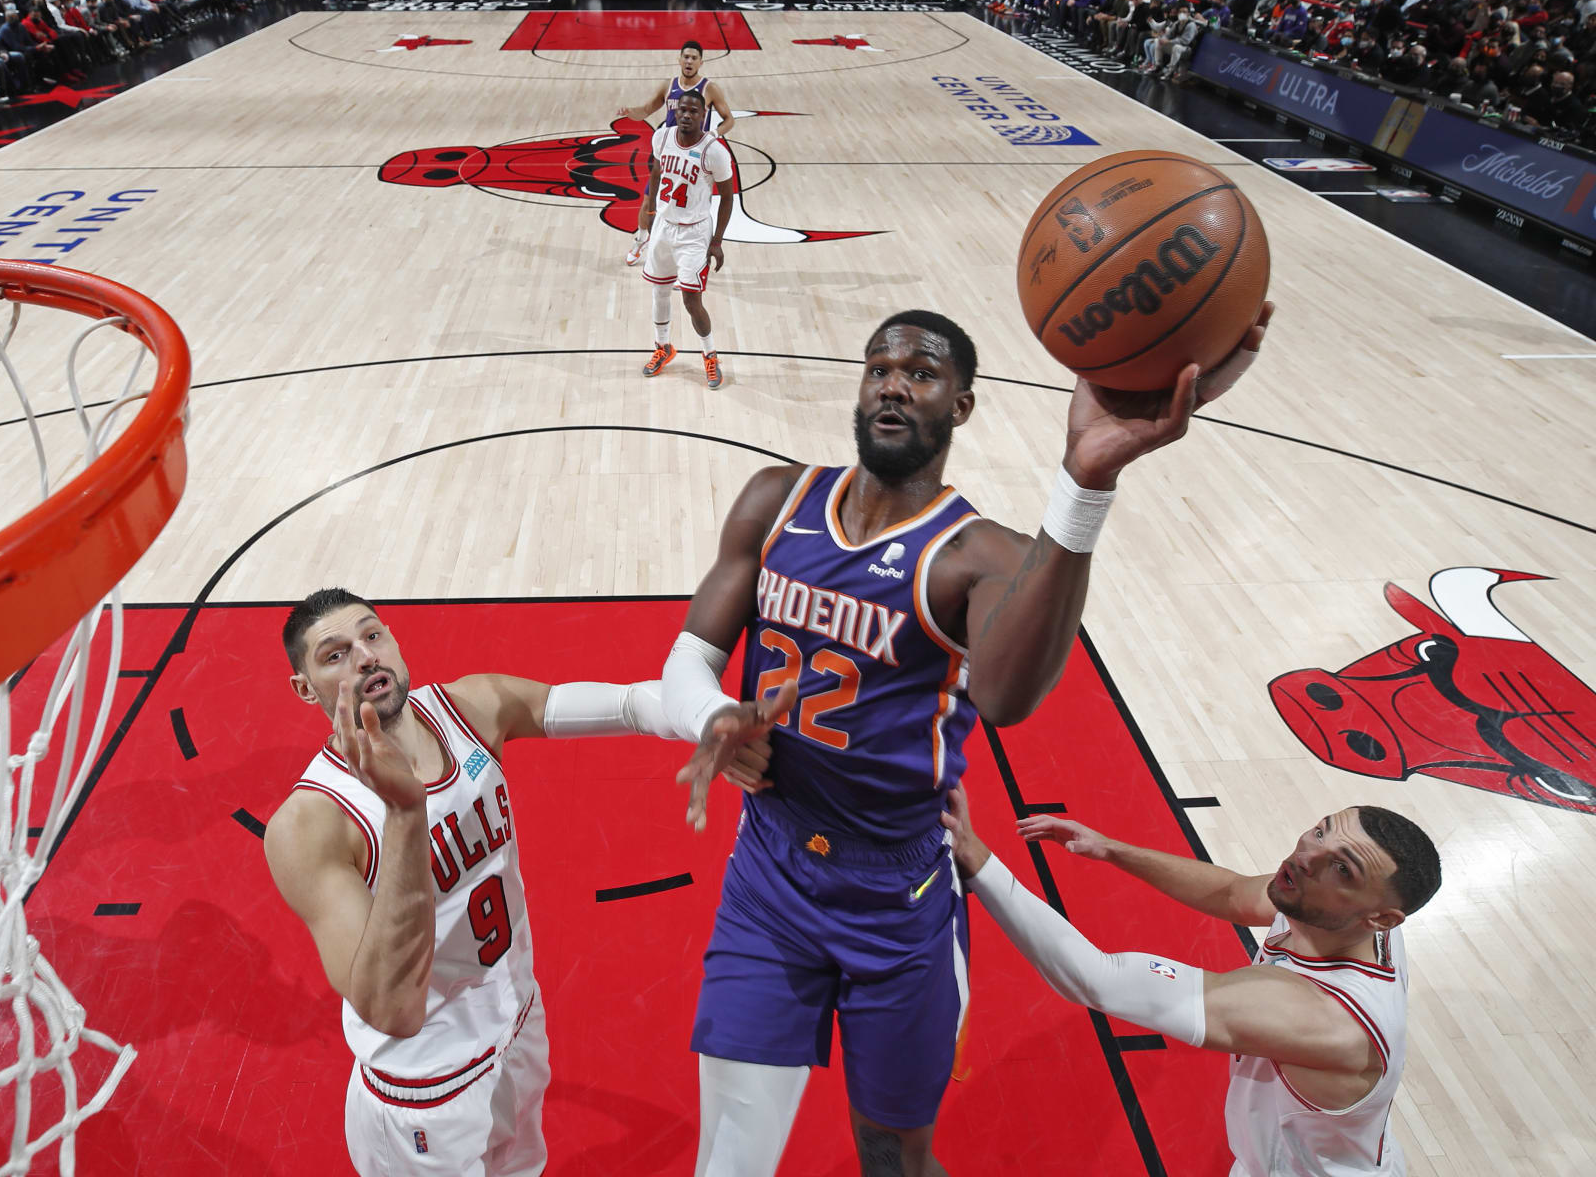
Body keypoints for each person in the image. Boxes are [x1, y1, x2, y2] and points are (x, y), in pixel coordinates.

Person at [657, 301, 1275, 1176]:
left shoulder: (980, 555)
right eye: (880, 369)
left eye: (922, 374)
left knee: (894, 1155)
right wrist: (714, 719)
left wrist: (1086, 484)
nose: (895, 387)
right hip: (771, 871)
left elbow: (1008, 694)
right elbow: (688, 660)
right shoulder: (775, 498)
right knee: (732, 1151)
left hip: (897, 896)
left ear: (962, 405)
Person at [265, 588, 768, 1177]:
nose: (365, 657)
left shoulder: (470, 707)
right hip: (426, 1085)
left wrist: (712, 720)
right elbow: (391, 1010)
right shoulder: (310, 824)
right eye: (335, 655)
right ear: (305, 688)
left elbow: (634, 704)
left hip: (516, 1023)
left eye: (373, 635)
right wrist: (405, 813)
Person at [941, 790, 1440, 1176]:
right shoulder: (1331, 911)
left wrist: (975, 856)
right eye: (1320, 831)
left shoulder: (1320, 1018)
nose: (1307, 855)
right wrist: (1111, 849)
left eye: (1343, 867)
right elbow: (1231, 894)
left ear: (1382, 918)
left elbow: (1097, 979)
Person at [638, 90, 733, 392]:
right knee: (659, 290)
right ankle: (663, 347)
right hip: (665, 227)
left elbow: (727, 196)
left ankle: (710, 355)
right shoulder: (662, 137)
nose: (688, 115)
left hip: (694, 233)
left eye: (694, 111)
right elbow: (655, 171)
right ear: (676, 112)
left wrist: (717, 240)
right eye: (684, 110)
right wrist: (651, 209)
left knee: (692, 300)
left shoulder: (714, 151)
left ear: (703, 116)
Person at [617, 39, 734, 267]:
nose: (689, 61)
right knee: (649, 199)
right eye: (686, 57)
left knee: (693, 208)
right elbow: (647, 109)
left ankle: (692, 259)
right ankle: (641, 239)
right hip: (669, 150)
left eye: (694, 58)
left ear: (701, 61)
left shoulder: (709, 88)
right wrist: (630, 112)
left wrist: (715, 133)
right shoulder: (668, 85)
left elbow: (729, 119)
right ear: (679, 59)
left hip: (693, 154)